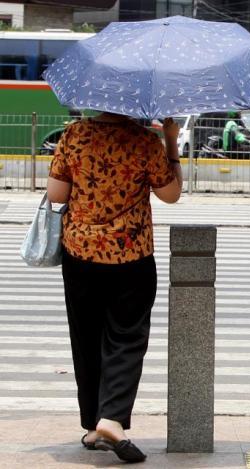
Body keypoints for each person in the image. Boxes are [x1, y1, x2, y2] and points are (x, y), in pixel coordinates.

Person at [47, 112, 183, 463]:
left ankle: (94, 426)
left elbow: (56, 193)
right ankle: (111, 419)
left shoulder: (74, 134)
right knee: (126, 337)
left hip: (81, 255)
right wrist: (171, 140)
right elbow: (170, 195)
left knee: (86, 338)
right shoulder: (145, 141)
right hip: (131, 256)